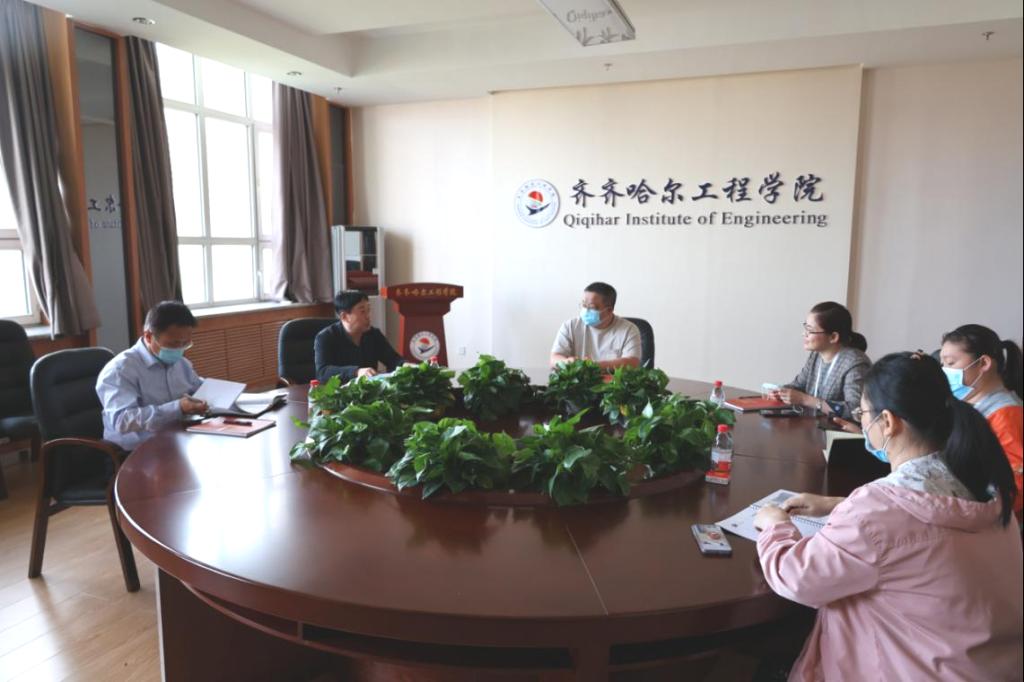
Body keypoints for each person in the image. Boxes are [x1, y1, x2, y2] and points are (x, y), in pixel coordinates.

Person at [754, 352, 1022, 681]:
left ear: (888, 422)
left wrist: (776, 525)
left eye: (863, 414)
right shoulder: (983, 486)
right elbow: (919, 527)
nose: (862, 423)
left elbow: (798, 579)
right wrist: (840, 504)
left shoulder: (877, 509)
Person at [96, 301, 208, 451]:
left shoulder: (181, 364)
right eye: (173, 344)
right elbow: (122, 421)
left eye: (185, 344)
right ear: (149, 336)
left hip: (178, 441)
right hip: (136, 452)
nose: (179, 350)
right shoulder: (120, 370)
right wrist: (178, 408)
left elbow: (197, 388)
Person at [940, 324, 1023, 520]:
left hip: (991, 520)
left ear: (983, 363)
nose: (944, 371)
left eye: (950, 363)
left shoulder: (1006, 413)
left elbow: (1015, 484)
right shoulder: (968, 406)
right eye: (942, 364)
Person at [776, 301, 869, 419]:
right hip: (812, 425)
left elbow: (855, 410)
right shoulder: (816, 356)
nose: (804, 334)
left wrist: (804, 399)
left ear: (833, 337)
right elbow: (798, 386)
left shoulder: (855, 363)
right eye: (805, 327)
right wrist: (781, 392)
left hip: (839, 429)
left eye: (810, 330)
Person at [315, 290, 404, 382]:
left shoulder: (373, 334)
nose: (368, 316)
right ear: (344, 316)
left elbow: (393, 360)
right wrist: (356, 372)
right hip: (340, 389)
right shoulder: (325, 337)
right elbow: (322, 373)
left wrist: (406, 366)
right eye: (362, 312)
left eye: (368, 310)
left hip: (369, 388)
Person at [549, 282, 641, 370]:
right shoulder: (570, 326)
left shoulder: (629, 330)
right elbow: (554, 359)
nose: (585, 310)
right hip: (577, 379)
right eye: (584, 305)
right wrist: (567, 362)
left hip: (613, 380)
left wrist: (594, 366)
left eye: (591, 307)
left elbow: (632, 362)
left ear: (609, 310)